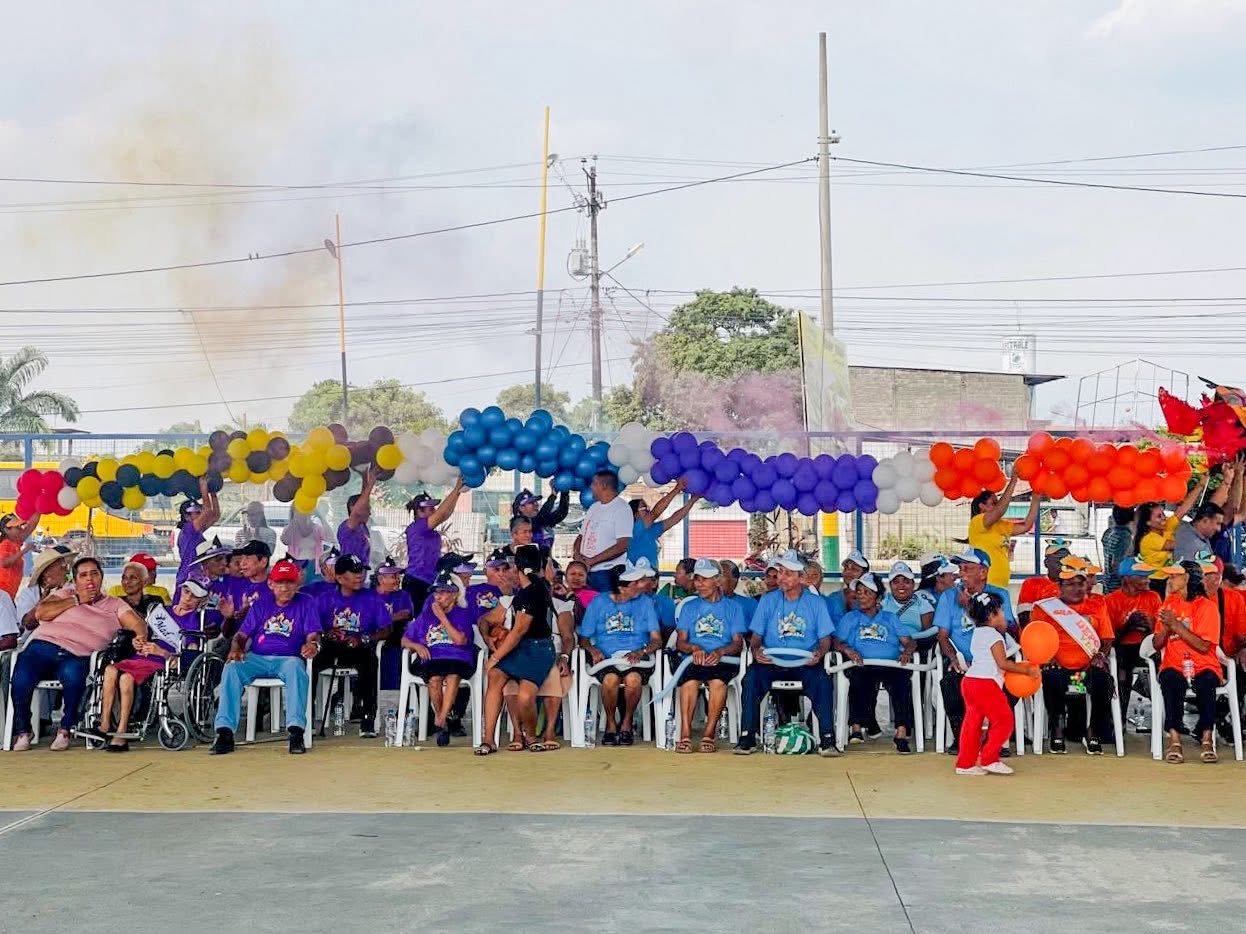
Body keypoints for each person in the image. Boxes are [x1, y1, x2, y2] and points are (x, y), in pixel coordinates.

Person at [8, 557, 147, 752]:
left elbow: (138, 624)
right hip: (44, 645)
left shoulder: (114, 604)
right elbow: (41, 613)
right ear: (75, 580)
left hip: (79, 653)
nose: (89, 579)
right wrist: (76, 600)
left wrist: (140, 637)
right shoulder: (65, 594)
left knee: (73, 676)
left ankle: (65, 730)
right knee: (22, 677)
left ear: (101, 577)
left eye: (94, 574)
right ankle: (23, 731)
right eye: (83, 575)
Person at [210, 558, 322, 756]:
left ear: (297, 583)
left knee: (297, 669)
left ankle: (296, 732)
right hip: (258, 657)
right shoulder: (261, 603)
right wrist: (236, 649)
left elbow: (313, 634)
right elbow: (241, 635)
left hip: (288, 659)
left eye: (290, 582)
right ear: (271, 583)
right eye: (280, 582)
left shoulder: (306, 602)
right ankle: (224, 733)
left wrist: (312, 645)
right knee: (232, 667)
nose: (285, 588)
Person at [734, 550, 838, 757]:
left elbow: (826, 639)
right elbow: (756, 636)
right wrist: (756, 650)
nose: (781, 577)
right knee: (751, 679)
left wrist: (819, 653)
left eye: (788, 573)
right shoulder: (767, 600)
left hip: (805, 663)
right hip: (772, 662)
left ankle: (827, 739)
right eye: (780, 572)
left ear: (801, 577)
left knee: (823, 681)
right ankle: (747, 737)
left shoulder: (816, 603)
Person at [87, 580, 210, 752]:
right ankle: (105, 723)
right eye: (186, 592)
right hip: (141, 655)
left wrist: (162, 652)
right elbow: (144, 633)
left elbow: (190, 653)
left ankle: (121, 731)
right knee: (109, 670)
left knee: (126, 678)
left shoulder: (193, 621)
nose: (188, 598)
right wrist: (137, 641)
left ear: (201, 600)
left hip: (161, 661)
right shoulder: (161, 611)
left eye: (194, 596)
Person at [1028, 556, 1115, 755]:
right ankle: (1057, 728)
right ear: (1059, 586)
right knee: (1052, 676)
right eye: (1070, 584)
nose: (1076, 589)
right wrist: (1048, 658)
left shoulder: (1097, 605)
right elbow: (1035, 639)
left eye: (1080, 584)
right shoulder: (1045, 608)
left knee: (1103, 681)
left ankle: (1093, 731)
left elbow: (1107, 638)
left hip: (1085, 670)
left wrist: (1100, 655)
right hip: (1058, 667)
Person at [477, 544, 558, 755]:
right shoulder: (533, 588)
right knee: (495, 677)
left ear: (518, 569)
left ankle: (530, 736)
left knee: (524, 696)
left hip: (538, 651)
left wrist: (494, 657)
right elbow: (487, 620)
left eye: (512, 566)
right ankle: (488, 739)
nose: (509, 571)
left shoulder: (531, 593)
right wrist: (489, 638)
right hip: (521, 649)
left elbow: (518, 631)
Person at [934, 549, 1016, 753]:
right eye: (960, 569)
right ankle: (963, 737)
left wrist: (972, 606)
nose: (961, 574)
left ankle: (994, 739)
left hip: (993, 661)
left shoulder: (999, 595)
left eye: (967, 569)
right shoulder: (948, 596)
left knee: (1012, 685)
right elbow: (942, 636)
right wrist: (953, 658)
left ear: (983, 572)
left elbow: (1004, 629)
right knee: (950, 683)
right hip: (962, 660)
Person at [577, 561, 662, 746]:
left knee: (633, 680)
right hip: (607, 659)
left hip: (637, 659)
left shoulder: (645, 602)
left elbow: (657, 640)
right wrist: (592, 649)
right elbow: (583, 638)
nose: (640, 586)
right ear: (622, 588)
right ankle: (610, 723)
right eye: (635, 583)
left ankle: (626, 723)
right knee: (610, 681)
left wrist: (641, 651)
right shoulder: (599, 603)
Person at [955, 591, 1039, 776]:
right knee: (1004, 720)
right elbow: (1002, 663)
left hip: (970, 681)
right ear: (992, 615)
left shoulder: (977, 633)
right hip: (986, 684)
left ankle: (965, 763)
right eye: (1001, 611)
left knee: (972, 724)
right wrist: (1026, 670)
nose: (1003, 615)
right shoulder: (994, 636)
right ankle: (989, 758)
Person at [671, 558, 746, 753]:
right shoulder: (689, 607)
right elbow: (680, 642)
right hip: (693, 658)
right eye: (697, 579)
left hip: (722, 659)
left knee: (717, 683)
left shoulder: (733, 608)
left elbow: (737, 643)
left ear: (718, 580)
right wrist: (693, 648)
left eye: (705, 579)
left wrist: (721, 652)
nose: (699, 584)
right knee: (689, 683)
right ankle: (685, 735)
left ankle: (709, 734)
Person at [837, 573, 916, 752]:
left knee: (901, 683)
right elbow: (837, 642)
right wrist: (848, 650)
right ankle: (856, 727)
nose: (861, 596)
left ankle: (901, 732)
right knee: (858, 680)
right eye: (859, 592)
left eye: (867, 592)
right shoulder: (850, 618)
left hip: (890, 665)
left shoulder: (890, 618)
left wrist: (907, 652)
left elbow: (909, 641)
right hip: (863, 664)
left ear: (878, 598)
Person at [1155, 559, 1223, 764]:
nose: (1170, 579)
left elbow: (1203, 646)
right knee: (1170, 681)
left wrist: (1176, 625)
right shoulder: (1169, 603)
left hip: (1203, 664)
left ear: (1187, 579)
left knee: (1207, 683)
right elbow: (1157, 644)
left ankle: (1207, 738)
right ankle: (1174, 739)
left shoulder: (1207, 607)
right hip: (1174, 663)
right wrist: (1166, 628)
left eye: (1175, 575)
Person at [314, 553, 388, 738]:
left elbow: (386, 629)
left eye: (361, 571)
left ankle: (368, 717)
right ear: (340, 578)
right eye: (354, 572)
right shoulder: (324, 599)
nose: (360, 576)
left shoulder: (372, 598)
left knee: (370, 661)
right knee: (309, 661)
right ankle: (307, 716)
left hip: (359, 647)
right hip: (331, 647)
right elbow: (313, 628)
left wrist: (365, 638)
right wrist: (326, 634)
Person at [402, 572, 476, 746]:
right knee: (434, 679)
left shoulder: (462, 613)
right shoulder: (426, 615)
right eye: (436, 592)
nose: (438, 596)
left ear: (455, 595)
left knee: (452, 675)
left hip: (457, 657)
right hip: (432, 657)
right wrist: (417, 646)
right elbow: (404, 640)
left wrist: (442, 617)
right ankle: (444, 718)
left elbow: (460, 640)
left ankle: (440, 720)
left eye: (443, 592)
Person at [967, 464, 1042, 589]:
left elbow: (1026, 526)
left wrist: (1036, 499)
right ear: (982, 506)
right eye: (994, 503)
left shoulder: (1001, 524)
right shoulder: (977, 522)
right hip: (985, 586)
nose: (997, 505)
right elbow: (1000, 510)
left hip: (1001, 585)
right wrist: (1013, 481)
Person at [401, 479, 467, 614]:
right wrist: (455, 489)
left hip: (429, 580)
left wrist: (458, 493)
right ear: (419, 511)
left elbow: (445, 514)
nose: (434, 511)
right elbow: (441, 515)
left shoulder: (431, 530)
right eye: (431, 509)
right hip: (416, 580)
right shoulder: (417, 527)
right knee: (419, 618)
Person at [1104, 556, 1162, 706]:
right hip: (1123, 648)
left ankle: (1160, 708)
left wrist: (1148, 626)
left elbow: (1160, 632)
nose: (1148, 580)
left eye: (1147, 576)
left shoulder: (1153, 597)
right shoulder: (1110, 600)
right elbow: (1109, 638)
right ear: (1127, 579)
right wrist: (1128, 626)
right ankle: (1120, 713)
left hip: (1149, 647)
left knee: (1163, 665)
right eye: (1142, 577)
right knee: (1121, 665)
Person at [1134, 477, 1209, 592]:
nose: (1164, 518)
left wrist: (1200, 485)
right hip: (1155, 583)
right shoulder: (1149, 539)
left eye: (1163, 514)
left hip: (1168, 579)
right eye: (1159, 516)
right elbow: (1177, 545)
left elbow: (1182, 510)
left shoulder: (1165, 528)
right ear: (1148, 522)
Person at [573, 470, 633, 593]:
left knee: (605, 604)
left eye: (594, 484)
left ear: (604, 486)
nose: (591, 487)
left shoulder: (621, 508)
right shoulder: (594, 507)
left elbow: (623, 545)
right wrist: (578, 556)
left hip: (608, 572)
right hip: (587, 571)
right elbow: (581, 536)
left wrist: (592, 561)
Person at [627, 478, 701, 566]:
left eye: (648, 508)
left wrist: (692, 501)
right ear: (635, 514)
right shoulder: (633, 529)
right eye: (644, 508)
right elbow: (655, 513)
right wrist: (677, 488)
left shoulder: (650, 529)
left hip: (651, 573)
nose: (648, 510)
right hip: (637, 573)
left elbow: (673, 519)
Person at [15, 546, 75, 634]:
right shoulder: (29, 593)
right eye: (62, 566)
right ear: (46, 572)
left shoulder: (71, 588)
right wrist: (45, 595)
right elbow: (28, 624)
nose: (67, 570)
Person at [173, 477, 221, 586]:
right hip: (187, 577)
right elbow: (207, 510)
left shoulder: (195, 530)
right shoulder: (188, 530)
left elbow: (215, 516)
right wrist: (204, 488)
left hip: (196, 576)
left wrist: (213, 493)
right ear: (186, 516)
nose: (200, 514)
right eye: (197, 512)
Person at [1017, 540, 1071, 625]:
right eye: (1058, 562)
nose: (1062, 567)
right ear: (1046, 563)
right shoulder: (1032, 584)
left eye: (1066, 563)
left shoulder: (1074, 587)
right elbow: (1024, 617)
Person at [882, 561, 936, 643]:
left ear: (913, 584)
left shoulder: (922, 603)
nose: (901, 585)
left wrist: (909, 639)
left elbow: (929, 634)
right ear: (890, 585)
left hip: (915, 645)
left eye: (906, 581)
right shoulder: (883, 600)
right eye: (896, 582)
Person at [0, 511, 41, 598]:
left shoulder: (16, 542)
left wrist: (39, 509)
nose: (21, 528)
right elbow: (3, 563)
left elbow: (31, 526)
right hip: (3, 593)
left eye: (20, 526)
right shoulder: (5, 544)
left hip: (8, 594)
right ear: (6, 530)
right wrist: (24, 551)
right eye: (17, 527)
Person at [825, 550, 869, 625]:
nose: (848, 572)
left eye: (854, 569)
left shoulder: (871, 600)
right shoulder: (833, 598)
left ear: (865, 574)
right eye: (846, 568)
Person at [281, 504, 328, 573]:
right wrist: (292, 522)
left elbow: (328, 537)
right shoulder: (290, 529)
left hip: (314, 566)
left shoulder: (317, 528)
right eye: (298, 512)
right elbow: (284, 541)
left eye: (304, 512)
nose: (302, 515)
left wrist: (321, 518)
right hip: (296, 566)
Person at [1100, 507, 1136, 594]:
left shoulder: (1108, 532)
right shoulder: (1124, 536)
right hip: (1117, 586)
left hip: (1107, 581)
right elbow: (1116, 564)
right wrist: (1128, 583)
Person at [374, 559, 415, 629]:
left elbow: (407, 614)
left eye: (398, 576)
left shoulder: (403, 595)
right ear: (380, 579)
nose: (398, 580)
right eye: (394, 577)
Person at [719, 560, 759, 624]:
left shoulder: (750, 604)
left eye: (721, 575)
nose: (716, 579)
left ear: (734, 580)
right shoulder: (704, 603)